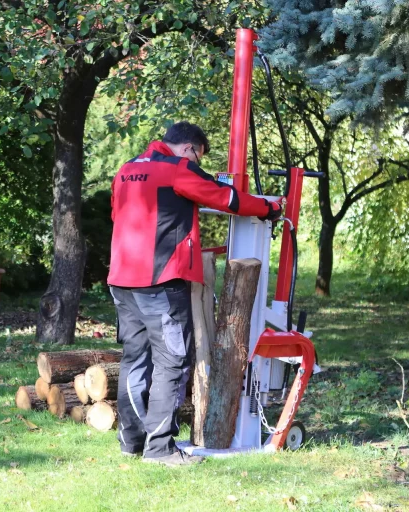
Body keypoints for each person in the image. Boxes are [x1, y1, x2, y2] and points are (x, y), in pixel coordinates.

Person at [107, 121, 282, 467]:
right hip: (160, 281)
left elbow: (117, 215)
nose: (197, 164)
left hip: (122, 280)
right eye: (198, 158)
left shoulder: (127, 169)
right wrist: (269, 208)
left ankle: (132, 442)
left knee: (134, 359)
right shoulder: (177, 169)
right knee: (172, 361)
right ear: (189, 150)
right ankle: (159, 450)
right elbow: (226, 197)